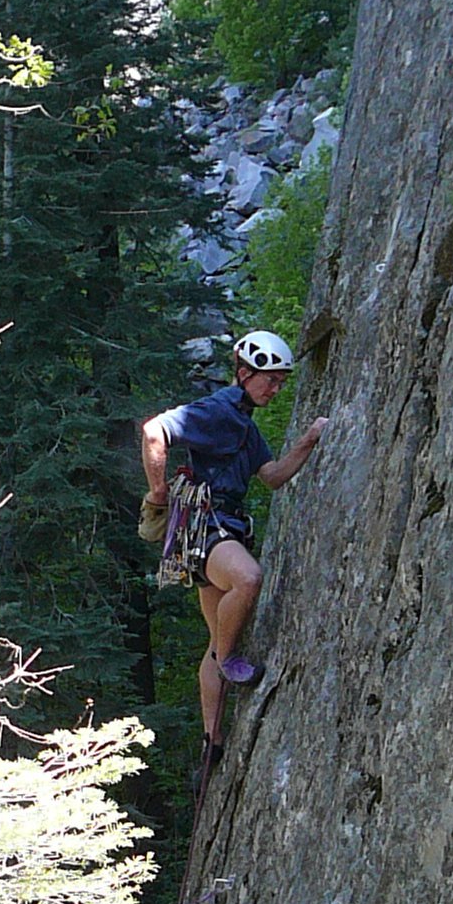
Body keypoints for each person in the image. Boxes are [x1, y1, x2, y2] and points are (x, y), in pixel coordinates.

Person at [141, 331, 328, 775]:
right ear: (244, 374)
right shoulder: (219, 410)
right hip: (206, 527)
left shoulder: (244, 425)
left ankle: (213, 741)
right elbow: (155, 430)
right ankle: (228, 663)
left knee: (213, 639)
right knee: (248, 579)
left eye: (281, 382)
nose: (275, 388)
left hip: (221, 529)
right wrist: (157, 490)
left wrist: (310, 439)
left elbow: (273, 476)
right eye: (269, 380)